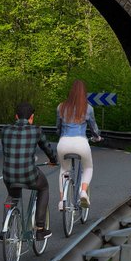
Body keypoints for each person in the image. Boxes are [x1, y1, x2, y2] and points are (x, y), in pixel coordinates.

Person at [1, 101, 58, 239]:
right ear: (32, 117)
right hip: (29, 174)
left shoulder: (5, 130)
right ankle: (40, 229)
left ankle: (5, 230)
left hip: (8, 175)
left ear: (16, 116)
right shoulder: (36, 130)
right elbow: (47, 148)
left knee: (13, 196)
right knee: (44, 187)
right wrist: (53, 160)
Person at [56, 79, 102, 210]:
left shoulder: (61, 107)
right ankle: (83, 191)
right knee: (88, 168)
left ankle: (62, 201)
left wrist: (60, 135)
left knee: (64, 170)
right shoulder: (88, 108)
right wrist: (97, 137)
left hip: (63, 143)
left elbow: (58, 128)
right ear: (84, 93)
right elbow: (93, 129)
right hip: (81, 143)